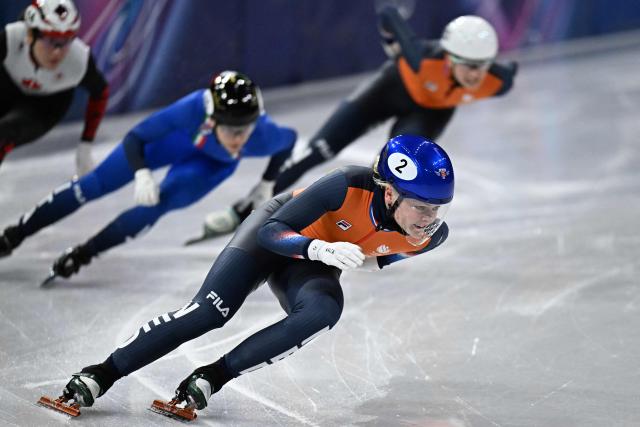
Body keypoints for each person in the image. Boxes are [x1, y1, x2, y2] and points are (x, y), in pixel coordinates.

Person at [38, 134, 454, 419]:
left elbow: (373, 254)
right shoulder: (345, 185)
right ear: (388, 192)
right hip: (278, 230)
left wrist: (332, 257)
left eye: (437, 209)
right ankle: (101, 373)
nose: (428, 219)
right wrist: (319, 247)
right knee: (209, 313)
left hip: (314, 260)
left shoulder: (428, 237)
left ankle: (210, 377)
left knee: (324, 310)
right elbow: (273, 233)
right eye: (421, 207)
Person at [195, 8, 516, 241]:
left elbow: (509, 71)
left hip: (429, 113)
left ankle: (367, 227)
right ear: (448, 58)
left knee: (394, 175)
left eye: (481, 66)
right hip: (385, 92)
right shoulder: (423, 57)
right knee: (316, 152)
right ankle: (242, 211)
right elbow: (389, 14)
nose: (475, 75)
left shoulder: (497, 81)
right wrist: (393, 42)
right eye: (467, 65)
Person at [0, 71, 296, 279]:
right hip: (169, 143)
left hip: (210, 164)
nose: (239, 139)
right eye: (232, 130)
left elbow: (290, 140)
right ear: (210, 118)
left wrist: (267, 181)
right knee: (93, 185)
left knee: (158, 204)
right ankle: (14, 235)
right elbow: (136, 138)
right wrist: (141, 172)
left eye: (245, 129)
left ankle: (84, 253)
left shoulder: (263, 136)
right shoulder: (189, 110)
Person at [0, 0, 109, 176]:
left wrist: (85, 146)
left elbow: (100, 92)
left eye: (66, 41)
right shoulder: (10, 39)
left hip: (46, 106)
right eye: (51, 41)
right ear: (30, 35)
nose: (58, 51)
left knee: (5, 131)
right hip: (7, 87)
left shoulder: (79, 60)